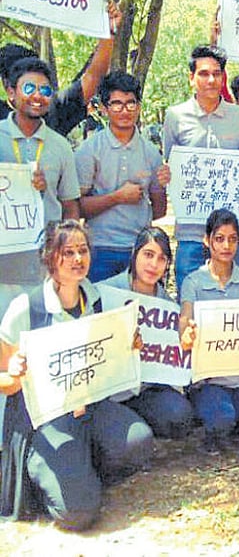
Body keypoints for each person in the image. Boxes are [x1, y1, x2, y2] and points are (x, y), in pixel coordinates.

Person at [0, 221, 152, 531]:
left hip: (89, 407)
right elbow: (4, 381)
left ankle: (79, 468)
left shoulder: (94, 297)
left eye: (82, 251)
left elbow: (103, 357)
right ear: (49, 257)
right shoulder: (25, 307)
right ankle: (40, 471)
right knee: (78, 515)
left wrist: (128, 346)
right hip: (46, 420)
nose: (77, 259)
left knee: (139, 441)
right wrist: (14, 374)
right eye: (67, 252)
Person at [178, 209, 239, 456]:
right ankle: (218, 424)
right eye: (220, 238)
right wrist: (186, 332)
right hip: (210, 380)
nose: (226, 245)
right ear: (207, 240)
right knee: (221, 419)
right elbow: (185, 316)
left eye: (233, 239)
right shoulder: (193, 281)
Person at [162, 46, 239, 292]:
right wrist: (167, 175)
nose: (211, 80)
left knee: (233, 304)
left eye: (217, 73)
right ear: (191, 78)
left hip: (231, 236)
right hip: (191, 233)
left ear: (223, 78)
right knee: (190, 304)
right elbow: (170, 167)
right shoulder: (174, 117)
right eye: (203, 73)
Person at [98, 227, 194, 439]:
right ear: (135, 254)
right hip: (108, 390)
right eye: (148, 255)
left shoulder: (169, 308)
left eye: (161, 259)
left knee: (181, 417)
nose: (153, 264)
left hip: (146, 389)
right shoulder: (104, 293)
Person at [76, 72, 169, 282]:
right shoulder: (89, 150)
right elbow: (75, 207)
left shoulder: (151, 153)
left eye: (130, 103)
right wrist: (117, 197)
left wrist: (161, 185)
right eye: (116, 104)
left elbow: (160, 210)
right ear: (104, 108)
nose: (124, 111)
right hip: (100, 248)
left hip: (139, 248)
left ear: (139, 106)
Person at [0, 58, 81, 287]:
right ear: (11, 93)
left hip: (45, 261)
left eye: (45, 90)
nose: (37, 96)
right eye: (29, 88)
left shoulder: (60, 146)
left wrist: (65, 252)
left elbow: (70, 207)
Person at [0, 2, 121, 135]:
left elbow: (94, 77)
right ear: (8, 88)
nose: (36, 94)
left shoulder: (54, 113)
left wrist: (108, 31)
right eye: (27, 86)